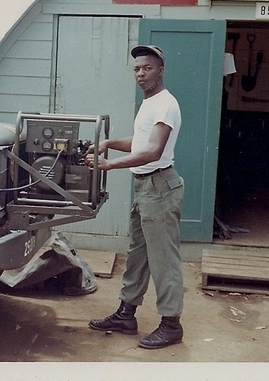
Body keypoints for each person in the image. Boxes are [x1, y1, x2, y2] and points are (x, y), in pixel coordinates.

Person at [85, 45, 185, 350]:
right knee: (138, 255)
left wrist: (109, 165)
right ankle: (126, 314)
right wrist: (110, 143)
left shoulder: (166, 104)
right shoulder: (150, 103)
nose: (141, 74)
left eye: (147, 68)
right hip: (145, 187)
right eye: (137, 69)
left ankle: (171, 325)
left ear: (161, 70)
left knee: (163, 260)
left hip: (158, 187)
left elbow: (153, 150)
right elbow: (140, 142)